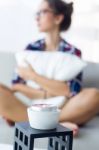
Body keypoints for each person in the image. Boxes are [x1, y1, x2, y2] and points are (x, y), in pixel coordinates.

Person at [0, 0, 99, 136]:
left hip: (62, 108)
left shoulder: (72, 52)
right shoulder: (30, 49)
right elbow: (17, 87)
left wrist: (32, 75)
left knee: (94, 95)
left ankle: (27, 122)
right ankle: (57, 125)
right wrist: (49, 93)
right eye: (37, 13)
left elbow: (70, 91)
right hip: (30, 108)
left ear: (58, 18)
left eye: (43, 12)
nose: (37, 17)